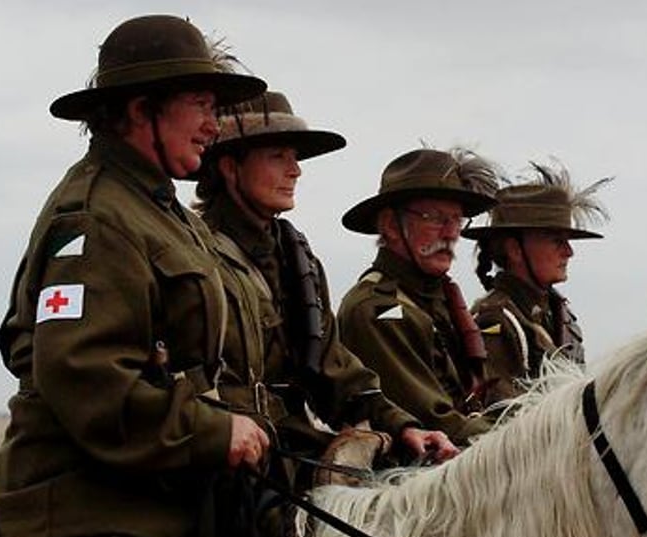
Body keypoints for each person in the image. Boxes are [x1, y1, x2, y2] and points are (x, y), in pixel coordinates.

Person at [0, 15, 268, 537]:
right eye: (199, 104)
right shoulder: (96, 215)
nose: (212, 125)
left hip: (164, 494)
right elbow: (83, 376)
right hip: (92, 515)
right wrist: (212, 431)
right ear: (141, 110)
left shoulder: (165, 213)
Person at [195, 90, 459, 486]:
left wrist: (402, 427)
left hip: (293, 455)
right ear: (231, 167)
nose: (295, 170)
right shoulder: (197, 255)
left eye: (295, 158)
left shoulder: (295, 258)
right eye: (278, 156)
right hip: (226, 466)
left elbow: (332, 367)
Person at [337, 148, 499, 446]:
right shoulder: (377, 309)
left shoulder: (442, 300)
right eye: (434, 218)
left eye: (457, 220)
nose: (451, 233)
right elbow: (437, 422)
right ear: (389, 225)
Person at [463, 161, 610, 406]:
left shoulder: (561, 316)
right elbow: (502, 420)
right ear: (515, 250)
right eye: (556, 240)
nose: (569, 252)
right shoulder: (495, 319)